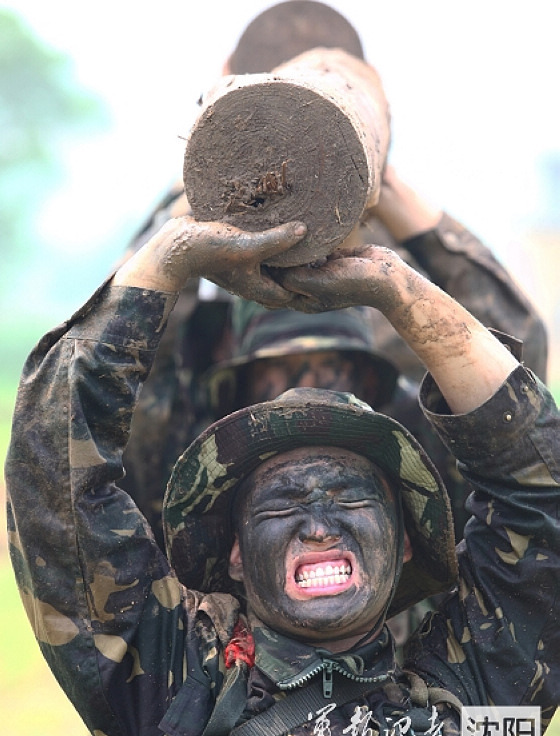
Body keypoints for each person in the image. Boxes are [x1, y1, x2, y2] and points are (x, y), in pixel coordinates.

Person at [6, 211, 559, 736]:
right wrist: (163, 258)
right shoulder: (174, 699)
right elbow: (53, 484)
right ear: (237, 552)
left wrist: (402, 292)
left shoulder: (467, 718)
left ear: (402, 543)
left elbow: (543, 507)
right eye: (279, 508)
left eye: (351, 498)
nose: (320, 527)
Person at [118, 1, 548, 553]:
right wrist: (212, 174)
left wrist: (380, 175)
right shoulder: (196, 500)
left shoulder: (417, 476)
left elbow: (515, 386)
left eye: (334, 371)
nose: (307, 394)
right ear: (236, 391)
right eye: (277, 378)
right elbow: (103, 396)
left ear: (370, 386)